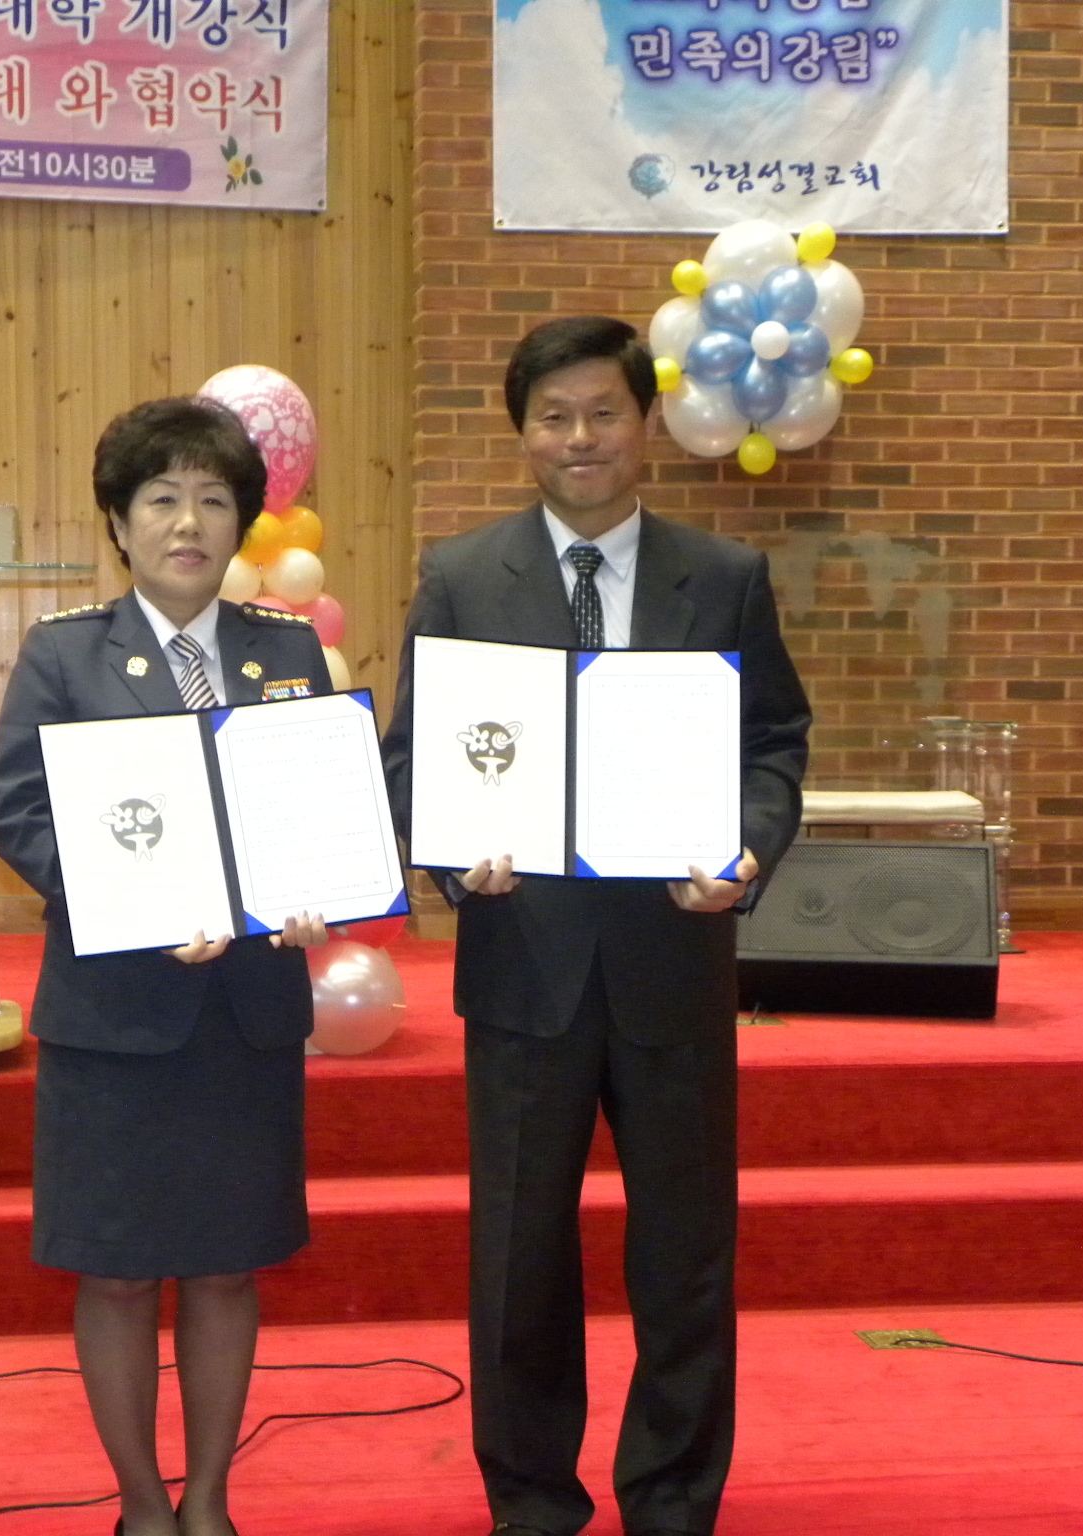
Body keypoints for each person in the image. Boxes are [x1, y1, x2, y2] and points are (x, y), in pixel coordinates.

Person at [381, 316, 811, 1536]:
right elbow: (414, 760)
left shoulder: (721, 576)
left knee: (684, 1254)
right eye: (553, 417)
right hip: (525, 962)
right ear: (522, 434)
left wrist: (746, 848)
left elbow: (772, 741)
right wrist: (453, 857)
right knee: (519, 1254)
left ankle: (671, 1497)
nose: (580, 439)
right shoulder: (463, 577)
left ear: (646, 424)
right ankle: (529, 1498)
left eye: (603, 413)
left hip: (674, 956)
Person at [0, 395, 332, 1536]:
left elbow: (317, 812)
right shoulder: (64, 653)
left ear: (242, 524)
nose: (189, 522)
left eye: (214, 500)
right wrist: (136, 905)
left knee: (228, 1266)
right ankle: (141, 1505)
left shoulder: (286, 651)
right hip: (116, 1016)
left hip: (247, 1013)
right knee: (120, 1271)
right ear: (119, 521)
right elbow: (17, 812)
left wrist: (315, 891)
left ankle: (210, 1500)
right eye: (163, 498)